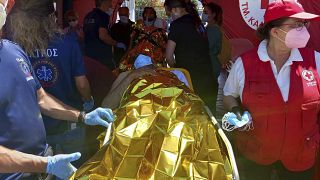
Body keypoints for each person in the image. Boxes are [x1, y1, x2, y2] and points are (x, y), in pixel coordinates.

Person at [0, 0, 114, 179]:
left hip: (43, 160)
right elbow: (81, 83)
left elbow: (41, 98)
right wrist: (46, 165)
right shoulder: (66, 44)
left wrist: (82, 116)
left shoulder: (14, 50)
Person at [70, 54, 233, 179]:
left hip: (178, 109)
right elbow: (107, 105)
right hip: (138, 112)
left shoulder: (175, 74)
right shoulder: (126, 77)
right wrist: (132, 77)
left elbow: (190, 96)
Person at [223, 1, 320, 179]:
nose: (304, 30)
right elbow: (229, 94)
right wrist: (236, 111)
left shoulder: (316, 61)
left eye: (304, 24)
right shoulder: (244, 64)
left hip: (301, 156)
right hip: (256, 154)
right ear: (275, 32)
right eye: (297, 25)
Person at [164, 0, 217, 113]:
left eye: (169, 14)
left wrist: (176, 69)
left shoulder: (177, 25)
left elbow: (169, 57)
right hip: (208, 77)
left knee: (193, 118)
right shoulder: (198, 23)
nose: (170, 17)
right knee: (210, 117)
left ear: (174, 10)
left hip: (190, 80)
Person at [83, 0, 126, 70]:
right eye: (110, 3)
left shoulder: (88, 16)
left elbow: (84, 34)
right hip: (102, 57)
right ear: (104, 3)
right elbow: (103, 36)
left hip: (89, 56)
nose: (111, 6)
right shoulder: (103, 15)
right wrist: (116, 44)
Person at [202, 2, 223, 80]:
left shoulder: (213, 29)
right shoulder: (210, 28)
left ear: (213, 15)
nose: (203, 14)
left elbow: (207, 47)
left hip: (211, 65)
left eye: (205, 12)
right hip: (210, 64)